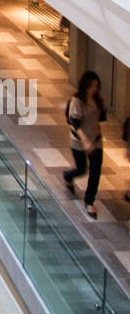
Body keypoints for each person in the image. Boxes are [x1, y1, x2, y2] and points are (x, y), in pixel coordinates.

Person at [63, 71, 107, 218]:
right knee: (82, 169)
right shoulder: (77, 101)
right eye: (91, 85)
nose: (94, 88)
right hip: (79, 141)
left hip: (96, 141)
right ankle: (68, 176)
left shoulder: (97, 100)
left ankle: (89, 202)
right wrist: (85, 141)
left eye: (96, 86)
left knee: (95, 172)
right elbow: (75, 124)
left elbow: (100, 119)